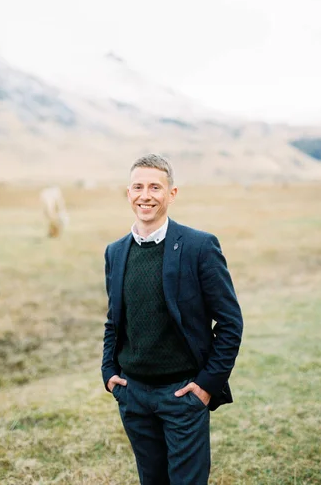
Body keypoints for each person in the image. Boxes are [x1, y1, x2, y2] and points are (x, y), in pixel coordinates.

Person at [101, 154, 243, 485]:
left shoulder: (199, 246)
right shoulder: (115, 252)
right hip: (133, 394)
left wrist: (207, 386)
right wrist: (109, 372)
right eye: (138, 187)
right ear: (128, 193)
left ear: (172, 194)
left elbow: (230, 323)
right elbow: (114, 320)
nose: (145, 195)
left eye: (155, 187)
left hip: (183, 394)